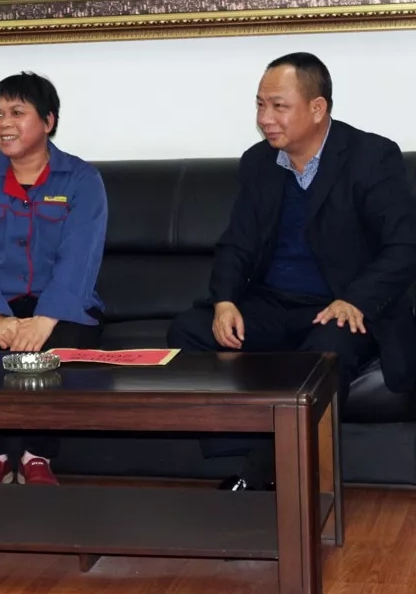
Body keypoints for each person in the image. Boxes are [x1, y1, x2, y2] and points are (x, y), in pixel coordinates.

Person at [167, 52, 416, 490]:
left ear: (317, 108)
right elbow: (237, 242)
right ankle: (246, 452)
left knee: (322, 356)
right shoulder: (258, 163)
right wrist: (225, 300)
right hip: (272, 302)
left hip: (341, 305)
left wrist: (356, 298)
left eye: (278, 106)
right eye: (260, 105)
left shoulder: (372, 157)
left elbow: (404, 246)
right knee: (190, 331)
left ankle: (261, 477)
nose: (265, 118)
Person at [0, 71, 108, 485]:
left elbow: (80, 258)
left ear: (48, 121)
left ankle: (37, 457)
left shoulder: (82, 180)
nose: (4, 124)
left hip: (59, 304)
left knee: (63, 350)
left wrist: (45, 320)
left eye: (17, 112)